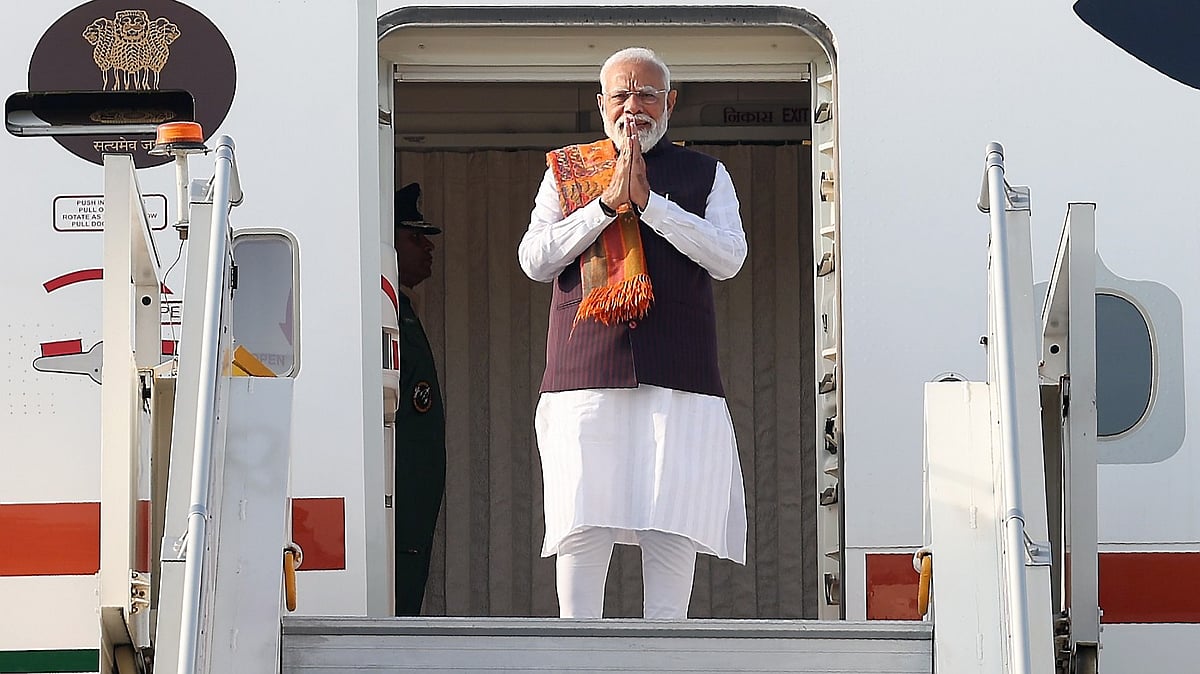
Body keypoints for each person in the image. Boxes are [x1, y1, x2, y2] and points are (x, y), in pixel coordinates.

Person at [517, 47, 748, 620]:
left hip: (680, 380)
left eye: (646, 94)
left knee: (673, 520)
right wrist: (604, 206)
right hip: (586, 379)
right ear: (601, 104)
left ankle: (665, 650)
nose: (632, 107)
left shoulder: (705, 174)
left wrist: (650, 207)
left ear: (669, 102)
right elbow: (535, 259)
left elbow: (728, 257)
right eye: (620, 94)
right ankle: (575, 650)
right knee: (582, 517)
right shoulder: (567, 172)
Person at [393, 181, 445, 616]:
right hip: (397, 503)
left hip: (412, 504)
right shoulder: (385, 315)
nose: (427, 247)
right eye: (414, 237)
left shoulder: (402, 313)